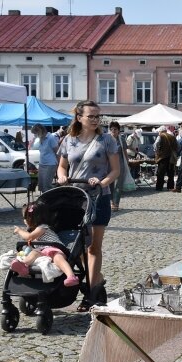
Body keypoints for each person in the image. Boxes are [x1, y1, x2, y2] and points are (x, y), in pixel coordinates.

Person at [57, 100, 120, 312]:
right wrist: (62, 177)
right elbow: (62, 167)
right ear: (79, 117)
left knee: (94, 246)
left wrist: (102, 182)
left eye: (97, 116)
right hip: (75, 198)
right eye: (91, 116)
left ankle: (91, 293)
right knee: (79, 246)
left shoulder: (107, 140)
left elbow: (115, 171)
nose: (95, 120)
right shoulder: (69, 140)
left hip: (99, 197)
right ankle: (95, 279)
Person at [9, 201, 79, 287]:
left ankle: (71, 276)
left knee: (57, 258)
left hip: (53, 248)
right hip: (42, 250)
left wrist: (19, 230)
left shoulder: (43, 227)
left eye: (25, 218)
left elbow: (29, 237)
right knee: (33, 253)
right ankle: (23, 265)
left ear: (32, 218)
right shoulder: (35, 230)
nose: (24, 220)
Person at [30, 124, 59, 193]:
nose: (35, 135)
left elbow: (57, 151)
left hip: (50, 164)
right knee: (41, 185)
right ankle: (44, 200)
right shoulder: (41, 139)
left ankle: (51, 199)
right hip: (42, 164)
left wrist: (58, 165)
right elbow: (32, 147)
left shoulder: (50, 137)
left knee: (47, 185)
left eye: (35, 133)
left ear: (40, 131)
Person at [107, 121, 126, 211]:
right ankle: (110, 201)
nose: (113, 131)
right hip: (108, 165)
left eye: (115, 129)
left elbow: (125, 153)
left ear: (118, 130)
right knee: (109, 184)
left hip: (120, 164)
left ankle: (116, 203)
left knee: (118, 185)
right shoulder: (107, 139)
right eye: (111, 129)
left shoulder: (121, 139)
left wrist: (127, 163)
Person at [154, 126, 178, 191]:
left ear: (161, 131)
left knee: (161, 173)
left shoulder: (161, 136)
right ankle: (170, 186)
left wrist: (157, 152)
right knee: (171, 173)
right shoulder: (172, 137)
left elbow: (156, 145)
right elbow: (177, 146)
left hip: (162, 157)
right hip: (171, 157)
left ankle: (159, 187)